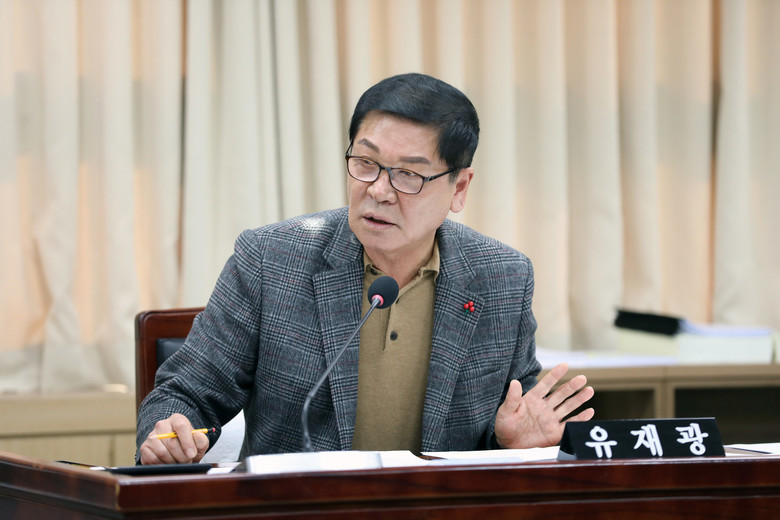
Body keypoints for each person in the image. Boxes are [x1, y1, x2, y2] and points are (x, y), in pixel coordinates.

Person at [136, 72, 594, 465]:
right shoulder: (270, 260)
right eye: (366, 163)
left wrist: (512, 444)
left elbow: (508, 426)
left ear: (459, 188)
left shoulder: (504, 278)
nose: (378, 190)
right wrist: (169, 435)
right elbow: (187, 392)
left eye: (409, 174)